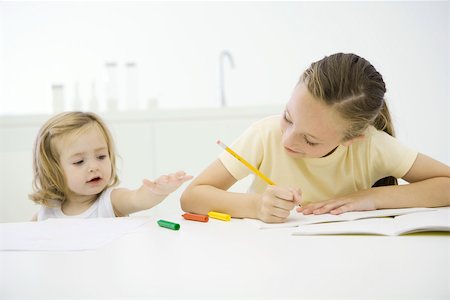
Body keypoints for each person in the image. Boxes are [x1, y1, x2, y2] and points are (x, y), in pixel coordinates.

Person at [180, 52, 450, 223]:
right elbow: (192, 197)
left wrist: (370, 198)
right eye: (288, 116)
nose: (287, 140)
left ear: (353, 138)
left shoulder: (372, 146)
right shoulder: (264, 135)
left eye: (310, 140)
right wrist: (256, 205)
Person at [30, 111, 192, 221]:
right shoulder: (46, 214)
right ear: (52, 171)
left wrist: (157, 191)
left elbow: (137, 199)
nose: (94, 166)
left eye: (101, 156)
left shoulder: (111, 201)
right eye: (79, 161)